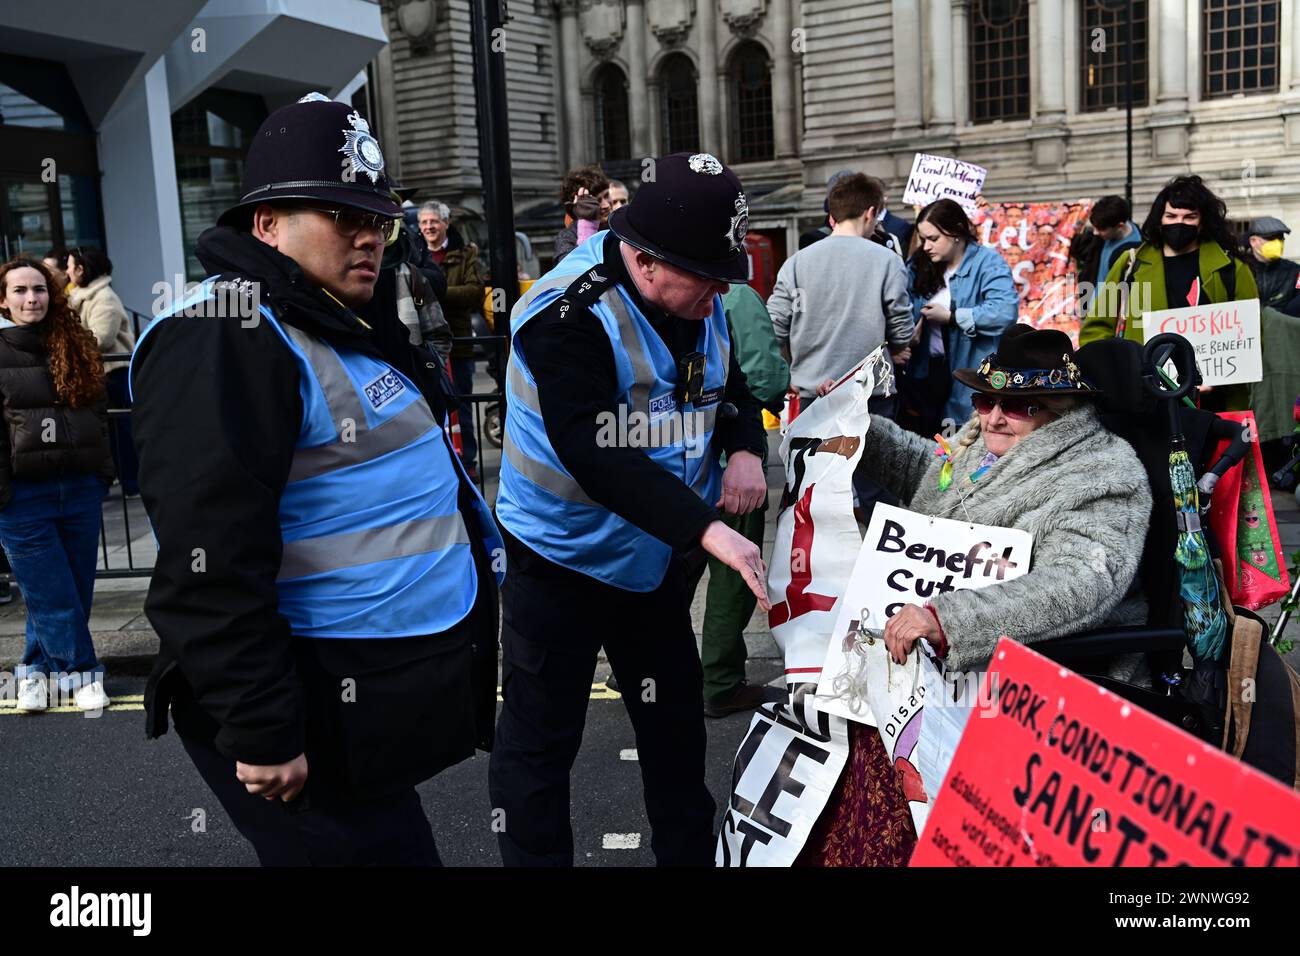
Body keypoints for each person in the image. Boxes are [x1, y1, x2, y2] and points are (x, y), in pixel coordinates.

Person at [129, 94, 503, 867]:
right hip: (301, 694)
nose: (369, 236)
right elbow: (209, 559)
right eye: (341, 216)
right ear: (265, 225)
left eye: (379, 219)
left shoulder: (331, 315)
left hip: (353, 694)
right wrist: (263, 728)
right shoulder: (226, 335)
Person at [490, 151, 771, 867]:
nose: (720, 295)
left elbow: (730, 385)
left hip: (651, 560)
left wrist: (744, 446)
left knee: (675, 733)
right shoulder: (566, 312)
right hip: (560, 559)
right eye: (708, 278)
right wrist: (708, 529)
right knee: (539, 750)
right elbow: (593, 449)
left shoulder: (699, 294)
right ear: (646, 263)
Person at [801, 326, 1152, 865]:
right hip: (933, 667)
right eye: (986, 399)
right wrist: (854, 425)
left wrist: (950, 619)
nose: (992, 416)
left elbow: (1081, 583)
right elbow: (932, 472)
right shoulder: (991, 442)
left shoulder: (1103, 471)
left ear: (1059, 409)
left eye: (1017, 406)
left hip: (1040, 674)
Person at [0, 257, 115, 713]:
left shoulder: (77, 342)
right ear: (3, 300)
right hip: (23, 497)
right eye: (21, 291)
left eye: (40, 289)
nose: (32, 298)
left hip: (80, 490)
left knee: (70, 590)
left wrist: (102, 473)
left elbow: (99, 415)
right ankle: (82, 674)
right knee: (51, 593)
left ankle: (33, 673)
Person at [769, 172, 913, 518]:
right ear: (871, 212)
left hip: (813, 393)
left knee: (813, 488)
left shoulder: (797, 263)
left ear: (832, 215)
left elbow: (774, 324)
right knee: (878, 485)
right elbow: (901, 325)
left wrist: (787, 365)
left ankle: (812, 567)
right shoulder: (886, 260)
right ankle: (881, 560)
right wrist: (898, 344)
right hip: (871, 391)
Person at [1079, 175, 1258, 410]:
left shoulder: (1232, 268)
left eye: (1189, 217)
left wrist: (1220, 376)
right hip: (1145, 400)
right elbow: (1096, 328)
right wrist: (1123, 372)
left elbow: (1253, 334)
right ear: (1160, 219)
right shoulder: (1130, 264)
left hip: (1215, 403)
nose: (1179, 223)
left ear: (1202, 221)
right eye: (1171, 216)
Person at [700, 281, 790, 717]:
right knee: (733, 577)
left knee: (666, 572)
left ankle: (639, 669)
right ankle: (720, 681)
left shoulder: (642, 290)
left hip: (668, 461)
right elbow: (763, 378)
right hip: (729, 461)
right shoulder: (733, 295)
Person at [898, 198, 1020, 437]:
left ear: (955, 232)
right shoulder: (919, 264)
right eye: (923, 239)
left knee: (963, 442)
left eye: (933, 239)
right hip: (924, 375)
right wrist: (912, 324)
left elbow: (1005, 311)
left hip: (970, 373)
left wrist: (953, 317)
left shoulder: (988, 262)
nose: (926, 246)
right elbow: (902, 303)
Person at [419, 199, 485, 478]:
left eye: (433, 221)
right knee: (430, 406)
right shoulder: (416, 253)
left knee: (462, 404)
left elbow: (474, 292)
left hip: (457, 341)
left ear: (446, 224)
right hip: (426, 342)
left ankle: (467, 461)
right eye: (423, 222)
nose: (428, 227)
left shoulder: (466, 253)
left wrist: (438, 292)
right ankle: (442, 462)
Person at [66, 245, 138, 497]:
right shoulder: (80, 296)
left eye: (69, 265)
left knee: (121, 432)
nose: (66, 271)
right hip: (98, 373)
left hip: (114, 373)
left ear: (81, 269)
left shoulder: (104, 298)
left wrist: (67, 343)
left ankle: (132, 483)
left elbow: (100, 339)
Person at [1069, 195, 1142, 291]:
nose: (1095, 232)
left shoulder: (1133, 252)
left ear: (1120, 226)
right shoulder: (1104, 233)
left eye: (1101, 229)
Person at [554, 164, 611, 264]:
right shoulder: (567, 237)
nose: (606, 205)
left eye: (606, 196)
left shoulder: (618, 226)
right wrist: (587, 226)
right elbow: (572, 273)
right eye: (597, 201)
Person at [1244, 216, 1300, 310]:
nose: (1277, 243)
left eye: (1280, 238)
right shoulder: (1241, 270)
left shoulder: (1296, 271)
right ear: (1253, 241)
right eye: (1270, 238)